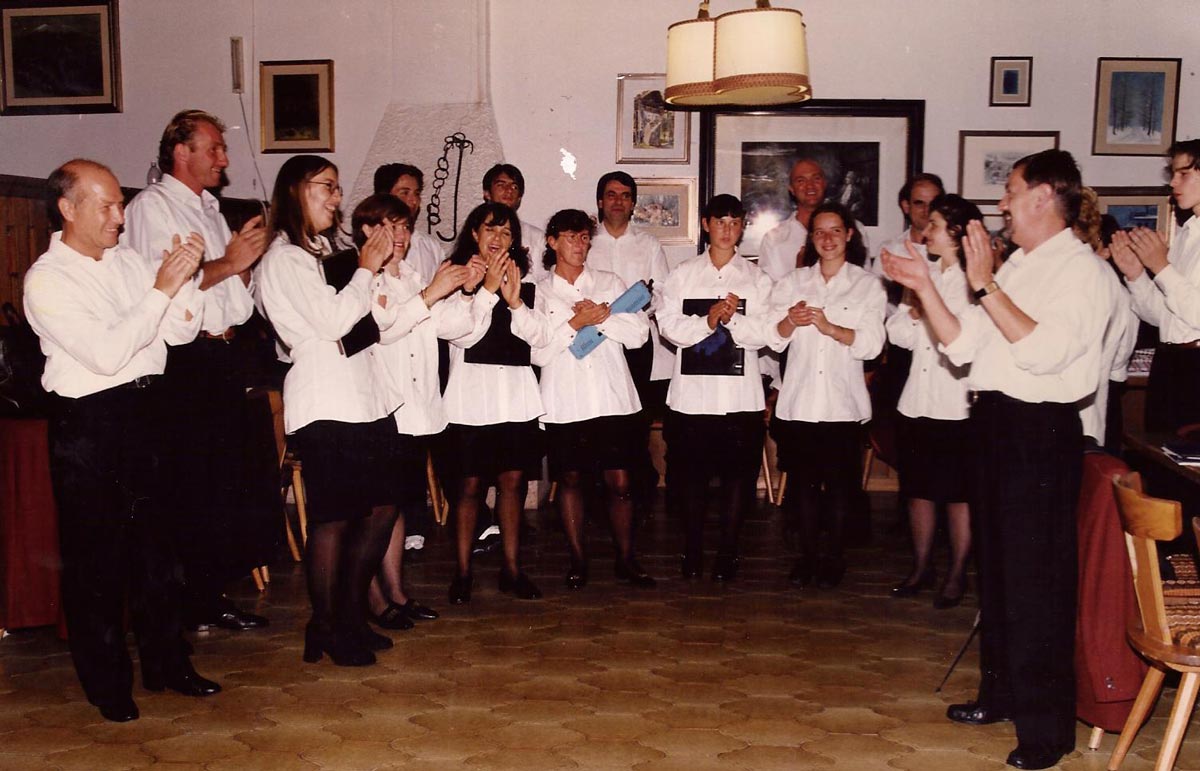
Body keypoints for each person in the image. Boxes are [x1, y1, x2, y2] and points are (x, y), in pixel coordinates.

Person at [882, 149, 1111, 770]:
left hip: (1038, 431)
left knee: (1037, 581)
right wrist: (924, 286)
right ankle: (1003, 695)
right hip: (994, 424)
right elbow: (963, 346)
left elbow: (1044, 353)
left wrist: (984, 284)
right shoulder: (1022, 266)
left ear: (1044, 195)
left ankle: (1047, 729)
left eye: (1010, 190)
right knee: (1002, 573)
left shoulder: (1081, 272)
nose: (1002, 203)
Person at [24, 159, 219, 722]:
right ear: (68, 209)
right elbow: (107, 354)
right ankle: (107, 683)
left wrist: (184, 282)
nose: (120, 215)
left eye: (121, 203)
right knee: (97, 562)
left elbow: (178, 331)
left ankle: (167, 663)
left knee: (160, 552)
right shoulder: (47, 279)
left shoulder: (130, 261)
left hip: (148, 411)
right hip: (90, 424)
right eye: (106, 205)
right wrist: (161, 290)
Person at [122, 109, 273, 633]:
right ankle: (180, 602)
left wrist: (243, 268)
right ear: (180, 152)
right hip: (183, 359)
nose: (224, 160)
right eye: (214, 149)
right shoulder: (152, 208)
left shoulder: (209, 209)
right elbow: (162, 286)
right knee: (186, 483)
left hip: (222, 355)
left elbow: (232, 298)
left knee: (221, 482)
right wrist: (231, 262)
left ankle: (208, 595)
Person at [257, 156, 402, 667]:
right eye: (328, 187)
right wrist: (364, 269)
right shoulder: (284, 259)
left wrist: (371, 273)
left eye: (339, 188)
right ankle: (326, 624)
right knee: (335, 519)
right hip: (326, 399)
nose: (337, 198)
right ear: (296, 190)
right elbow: (334, 320)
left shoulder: (323, 252)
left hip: (364, 394)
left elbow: (367, 322)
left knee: (382, 507)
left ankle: (350, 613)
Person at [347, 194, 475, 631]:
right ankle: (370, 598)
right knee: (378, 510)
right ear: (368, 231)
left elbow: (453, 327)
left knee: (398, 505)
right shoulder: (364, 278)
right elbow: (384, 331)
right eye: (390, 226)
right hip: (383, 409)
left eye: (405, 226)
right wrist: (432, 293)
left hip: (417, 411)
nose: (401, 236)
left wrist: (470, 292)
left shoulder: (414, 275)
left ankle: (396, 593)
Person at [530, 208, 657, 589]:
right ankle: (577, 559)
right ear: (552, 242)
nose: (579, 245)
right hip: (565, 399)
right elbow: (538, 352)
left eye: (585, 237)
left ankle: (626, 558)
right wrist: (575, 324)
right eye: (571, 237)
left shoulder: (609, 281)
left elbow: (639, 335)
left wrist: (602, 317)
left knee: (620, 481)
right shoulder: (539, 291)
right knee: (570, 479)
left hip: (611, 397)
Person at [767, 202, 886, 589]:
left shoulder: (867, 285)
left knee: (839, 487)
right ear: (811, 239)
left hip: (843, 404)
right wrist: (789, 320)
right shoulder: (793, 282)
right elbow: (771, 336)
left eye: (836, 230)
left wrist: (831, 328)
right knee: (802, 485)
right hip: (800, 402)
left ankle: (834, 557)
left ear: (849, 235)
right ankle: (806, 557)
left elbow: (872, 344)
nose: (828, 239)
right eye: (819, 232)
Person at [658, 194, 774, 581]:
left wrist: (734, 319)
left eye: (734, 222)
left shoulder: (757, 279)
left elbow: (766, 334)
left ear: (742, 227)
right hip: (692, 397)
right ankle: (692, 549)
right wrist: (707, 322)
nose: (727, 229)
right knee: (690, 480)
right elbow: (669, 328)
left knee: (738, 479)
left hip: (740, 397)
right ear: (706, 224)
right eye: (719, 221)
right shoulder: (683, 274)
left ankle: (728, 551)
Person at [441, 202, 547, 604]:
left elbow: (541, 340)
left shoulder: (527, 281)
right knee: (468, 485)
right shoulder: (455, 276)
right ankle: (462, 571)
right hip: (471, 397)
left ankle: (512, 569)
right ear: (475, 233)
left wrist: (516, 302)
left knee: (513, 483)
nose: (498, 239)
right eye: (491, 230)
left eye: (506, 232)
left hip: (515, 397)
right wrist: (484, 290)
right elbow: (459, 333)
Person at [885, 194, 979, 608]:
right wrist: (914, 311)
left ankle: (957, 573)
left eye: (935, 226)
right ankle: (922, 567)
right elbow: (897, 335)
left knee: (959, 495)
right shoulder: (925, 272)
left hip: (956, 403)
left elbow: (960, 343)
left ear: (956, 232)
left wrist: (927, 310)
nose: (926, 232)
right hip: (917, 400)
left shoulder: (974, 280)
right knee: (918, 490)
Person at [586, 170, 673, 509]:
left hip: (636, 339)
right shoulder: (586, 242)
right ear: (599, 201)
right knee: (598, 412)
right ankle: (600, 488)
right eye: (611, 194)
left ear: (633, 203)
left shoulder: (648, 244)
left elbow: (661, 292)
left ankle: (636, 488)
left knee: (634, 416)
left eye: (625, 196)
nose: (618, 202)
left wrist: (639, 304)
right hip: (596, 339)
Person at [1110, 138, 1200, 432]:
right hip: (1171, 364)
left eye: (1184, 173)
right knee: (1157, 452)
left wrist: (1161, 266)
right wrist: (1136, 275)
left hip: (1195, 366)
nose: (1173, 182)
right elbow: (1164, 317)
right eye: (1173, 173)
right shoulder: (1187, 234)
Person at [1073, 188, 1137, 449]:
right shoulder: (1113, 284)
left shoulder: (1081, 275)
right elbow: (1119, 363)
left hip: (1064, 419)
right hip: (1091, 417)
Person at [373, 163, 445, 286]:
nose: (414, 201)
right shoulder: (371, 244)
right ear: (385, 196)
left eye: (417, 193)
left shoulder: (430, 245)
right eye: (405, 193)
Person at [482, 163, 548, 283]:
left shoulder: (536, 236)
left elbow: (543, 280)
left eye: (514, 187)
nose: (508, 190)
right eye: (501, 185)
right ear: (487, 193)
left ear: (519, 198)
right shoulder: (477, 231)